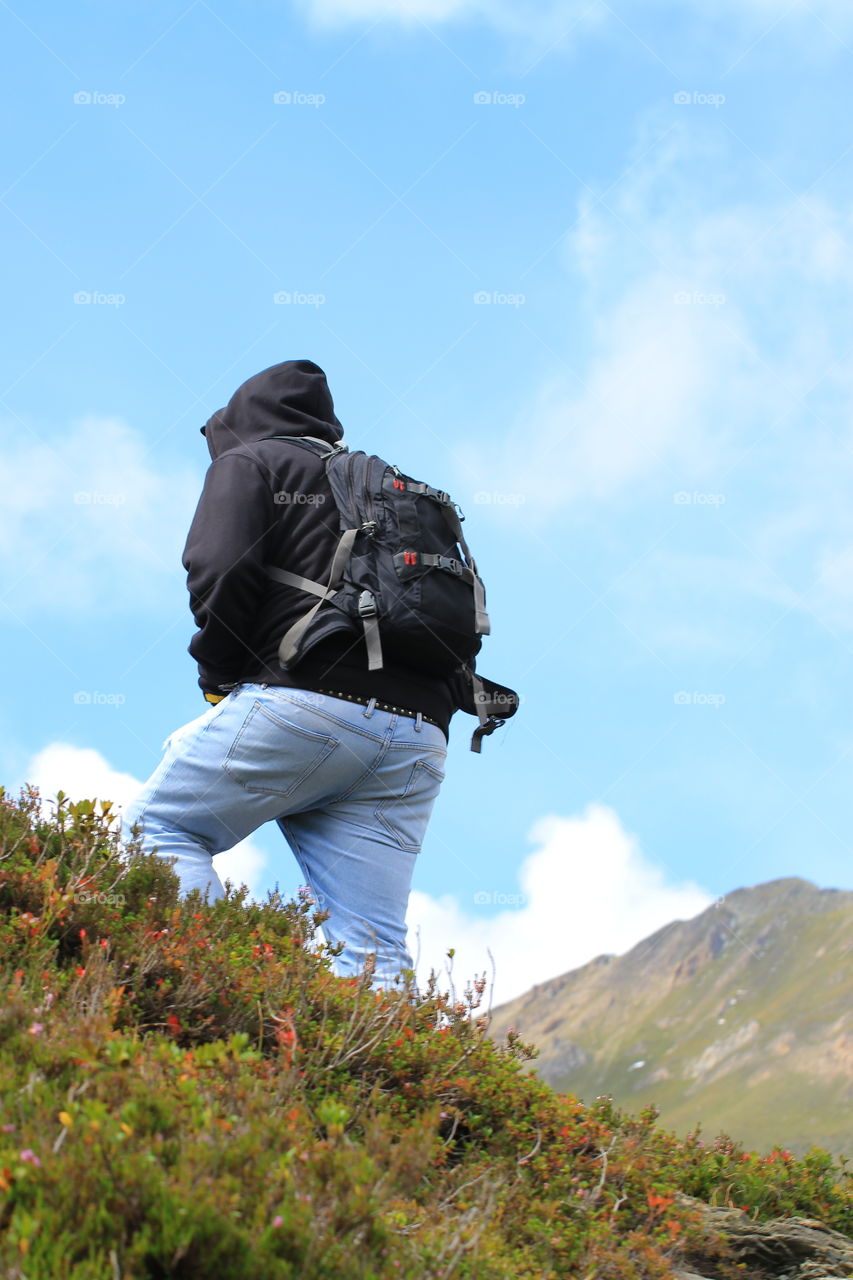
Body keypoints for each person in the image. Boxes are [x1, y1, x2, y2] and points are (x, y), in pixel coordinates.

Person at [123, 359, 461, 988]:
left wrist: (219, 674)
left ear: (240, 421)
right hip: (419, 738)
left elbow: (218, 569)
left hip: (308, 703)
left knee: (160, 827)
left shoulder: (253, 462)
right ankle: (383, 1080)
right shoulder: (388, 486)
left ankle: (218, 999)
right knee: (372, 947)